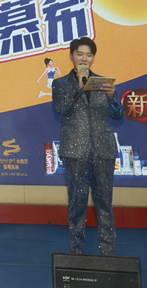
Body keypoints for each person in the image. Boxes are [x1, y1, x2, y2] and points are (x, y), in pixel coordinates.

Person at [52, 37, 123, 255]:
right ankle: (77, 252)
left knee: (105, 203)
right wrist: (79, 87)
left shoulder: (103, 83)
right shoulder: (61, 84)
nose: (84, 58)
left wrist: (113, 97)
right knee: (77, 203)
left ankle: (109, 252)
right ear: (71, 56)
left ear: (93, 58)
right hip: (75, 151)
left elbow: (118, 114)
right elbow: (61, 109)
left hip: (103, 149)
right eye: (80, 54)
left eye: (89, 55)